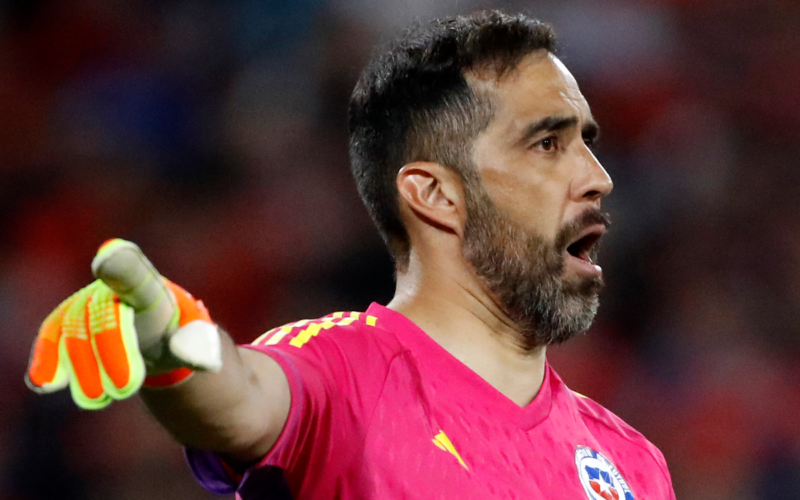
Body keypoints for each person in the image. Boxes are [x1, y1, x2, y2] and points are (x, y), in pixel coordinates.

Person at [26, 10, 676, 500]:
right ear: (437, 195)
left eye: (586, 142)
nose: (597, 176)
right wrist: (174, 342)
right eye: (546, 144)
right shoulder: (342, 375)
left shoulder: (634, 465)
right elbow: (242, 395)